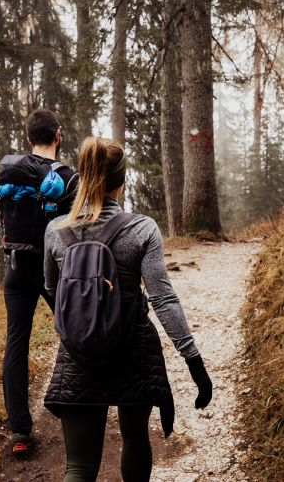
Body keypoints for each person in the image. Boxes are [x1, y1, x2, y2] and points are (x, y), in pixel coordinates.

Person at [42, 137, 213, 482]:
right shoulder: (142, 228)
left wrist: (81, 321)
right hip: (133, 349)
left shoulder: (55, 231)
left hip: (77, 354)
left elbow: (51, 288)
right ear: (121, 181)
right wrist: (193, 360)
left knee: (79, 466)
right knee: (135, 436)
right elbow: (163, 298)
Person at [0, 108, 78, 453]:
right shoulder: (69, 178)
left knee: (17, 341)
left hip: (15, 269)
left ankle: (19, 432)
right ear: (57, 136)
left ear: (29, 139)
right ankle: (77, 408)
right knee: (74, 333)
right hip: (53, 273)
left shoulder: (12, 171)